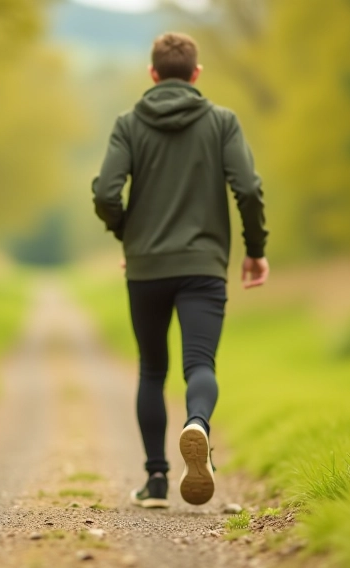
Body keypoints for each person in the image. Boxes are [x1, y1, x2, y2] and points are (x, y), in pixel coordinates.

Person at [91, 32, 269, 508]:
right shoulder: (222, 122)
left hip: (146, 267)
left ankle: (155, 482)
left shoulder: (128, 124)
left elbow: (106, 193)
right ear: (196, 74)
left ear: (153, 74)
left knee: (152, 370)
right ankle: (198, 426)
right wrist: (255, 249)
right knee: (200, 365)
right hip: (203, 266)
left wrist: (128, 234)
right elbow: (248, 189)